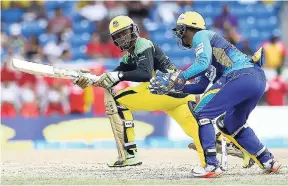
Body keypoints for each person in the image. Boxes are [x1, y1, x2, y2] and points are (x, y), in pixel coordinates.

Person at [149, 11, 281, 178]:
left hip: (239, 76)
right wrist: (174, 88)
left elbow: (202, 63)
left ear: (191, 28)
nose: (181, 36)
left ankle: (211, 165)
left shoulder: (201, 35)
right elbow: (201, 86)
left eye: (182, 30)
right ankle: (268, 161)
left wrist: (179, 77)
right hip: (257, 79)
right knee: (231, 125)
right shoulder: (212, 52)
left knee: (201, 112)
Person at [74, 15, 213, 170]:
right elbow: (112, 77)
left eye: (125, 32)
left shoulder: (143, 44)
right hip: (180, 92)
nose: (123, 38)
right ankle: (220, 156)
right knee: (197, 132)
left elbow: (145, 74)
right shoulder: (129, 56)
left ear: (134, 30)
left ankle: (129, 154)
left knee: (118, 101)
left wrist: (117, 75)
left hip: (164, 90)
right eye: (118, 36)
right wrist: (91, 79)